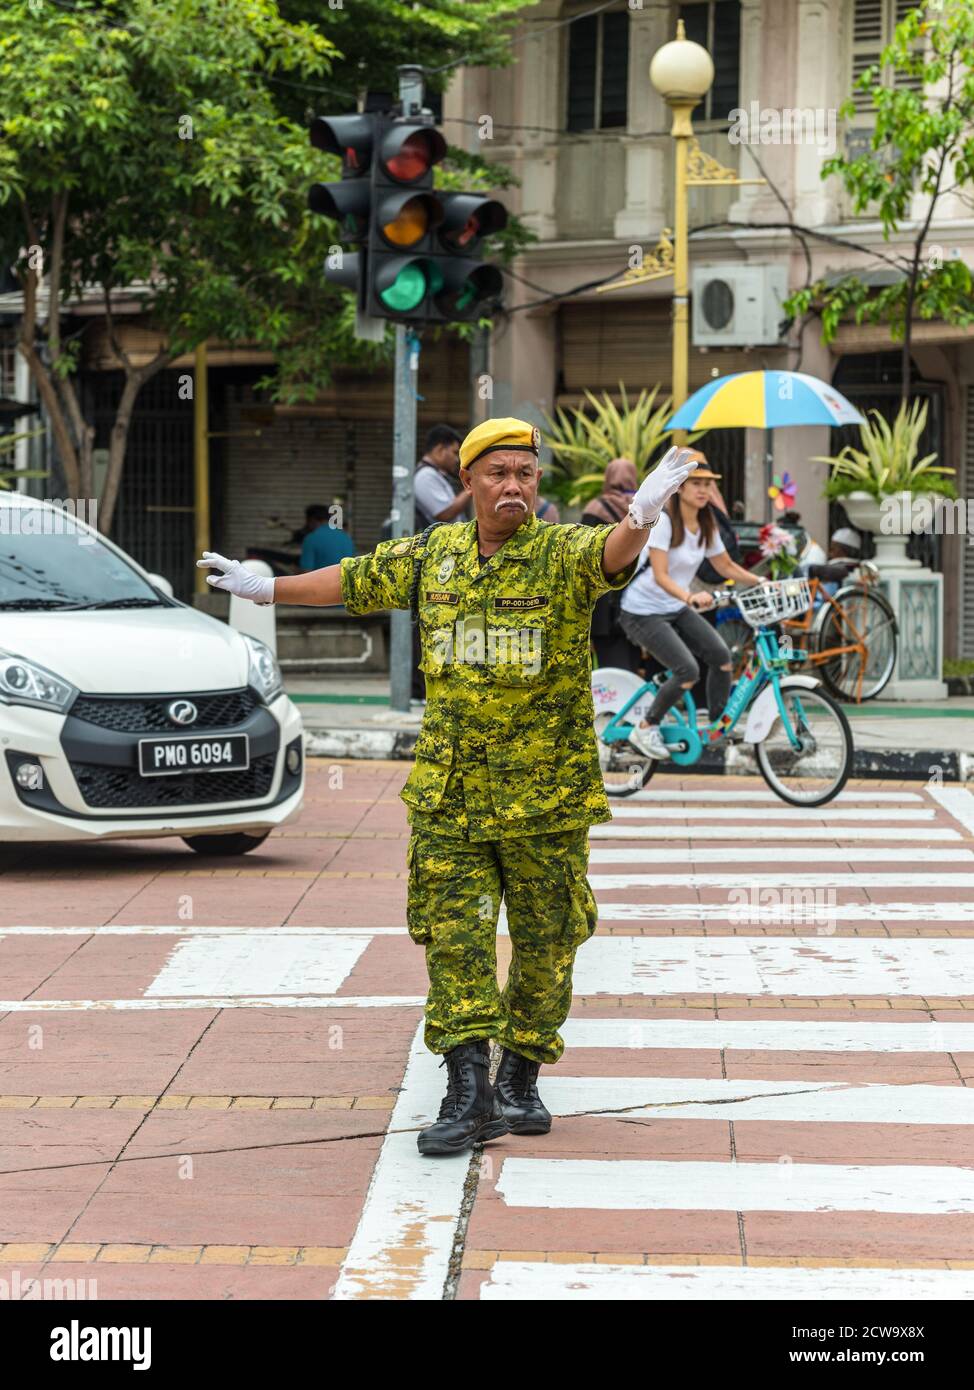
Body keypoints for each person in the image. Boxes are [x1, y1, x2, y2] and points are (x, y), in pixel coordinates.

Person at [198, 422, 697, 1157]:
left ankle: (521, 1070)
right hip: (451, 794)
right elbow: (356, 579)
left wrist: (641, 514)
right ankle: (470, 1089)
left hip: (546, 797)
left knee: (547, 940)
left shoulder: (561, 554)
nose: (513, 487)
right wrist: (266, 587)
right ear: (469, 482)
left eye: (525, 474)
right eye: (497, 473)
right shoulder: (435, 555)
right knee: (455, 939)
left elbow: (612, 555)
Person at [619, 455, 764, 761]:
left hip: (676, 604)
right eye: (697, 483)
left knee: (722, 657)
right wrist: (689, 598)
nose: (703, 490)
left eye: (708, 484)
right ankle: (646, 726)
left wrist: (761, 582)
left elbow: (725, 565)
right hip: (643, 611)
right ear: (681, 488)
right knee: (687, 670)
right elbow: (660, 575)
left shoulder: (706, 524)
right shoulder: (664, 521)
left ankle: (718, 726)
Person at [581, 458, 642, 671]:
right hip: (636, 597)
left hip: (603, 606)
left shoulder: (596, 508)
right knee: (632, 672)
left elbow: (585, 555)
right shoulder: (641, 507)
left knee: (610, 673)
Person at [414, 424, 469, 529]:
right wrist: (471, 487)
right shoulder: (425, 475)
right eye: (454, 453)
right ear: (440, 450)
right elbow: (445, 513)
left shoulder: (435, 474)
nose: (457, 459)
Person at [299, 503, 356, 571]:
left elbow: (306, 571)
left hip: (321, 581)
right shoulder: (345, 537)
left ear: (311, 520)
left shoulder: (311, 539)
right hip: (346, 581)